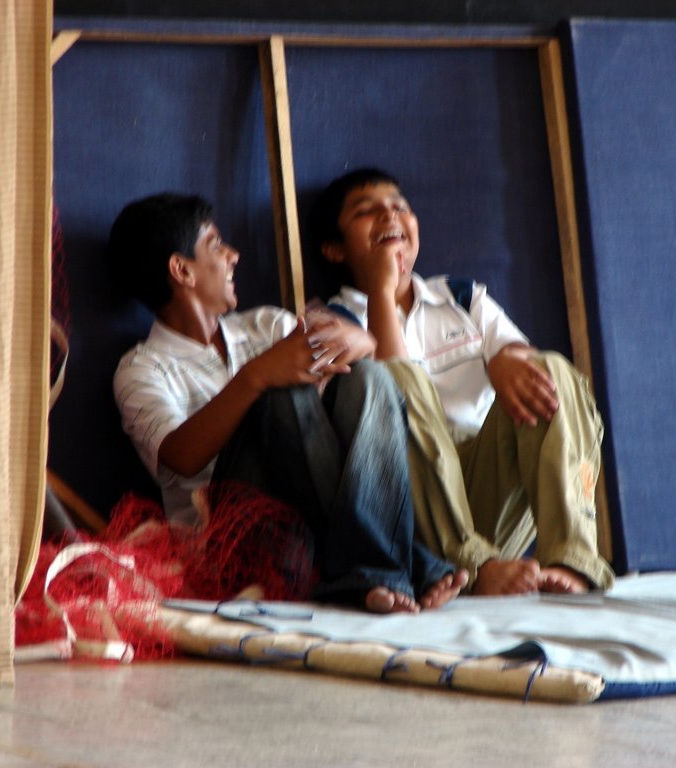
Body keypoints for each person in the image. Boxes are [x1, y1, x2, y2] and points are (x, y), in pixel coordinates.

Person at [110, 192, 467, 613]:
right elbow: (179, 458)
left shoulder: (266, 324)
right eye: (216, 245)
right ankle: (408, 561)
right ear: (181, 270)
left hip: (309, 523)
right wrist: (256, 376)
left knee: (369, 377)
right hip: (233, 532)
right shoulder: (141, 368)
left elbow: (359, 351)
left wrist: (359, 338)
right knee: (284, 393)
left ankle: (372, 572)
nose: (233, 255)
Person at [311, 168, 614, 596]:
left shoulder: (459, 296)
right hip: (415, 509)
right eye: (366, 211)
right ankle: (472, 565)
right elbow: (389, 399)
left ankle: (573, 556)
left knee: (551, 370)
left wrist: (504, 362)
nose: (389, 216)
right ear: (334, 248)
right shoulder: (331, 322)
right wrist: (381, 291)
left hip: (486, 482)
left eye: (399, 206)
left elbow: (520, 356)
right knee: (394, 378)